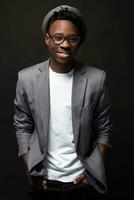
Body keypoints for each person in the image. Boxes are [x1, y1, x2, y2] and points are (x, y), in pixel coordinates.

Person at [13, 5, 112, 200]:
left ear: (79, 41)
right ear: (47, 39)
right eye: (58, 37)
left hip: (82, 183)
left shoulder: (96, 79)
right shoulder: (27, 78)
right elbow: (22, 126)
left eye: (72, 38)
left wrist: (92, 175)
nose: (65, 45)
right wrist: (30, 172)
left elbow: (104, 130)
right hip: (42, 182)